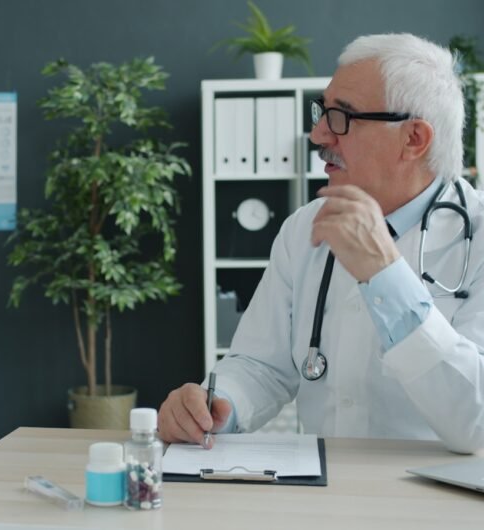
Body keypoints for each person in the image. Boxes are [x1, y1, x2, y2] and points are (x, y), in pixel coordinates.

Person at [159, 33, 484, 455]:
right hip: (322, 492)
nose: (317, 135)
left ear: (414, 139)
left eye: (341, 117)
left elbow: (477, 424)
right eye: (322, 112)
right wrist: (218, 405)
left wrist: (384, 274)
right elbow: (261, 365)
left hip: (432, 505)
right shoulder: (304, 228)